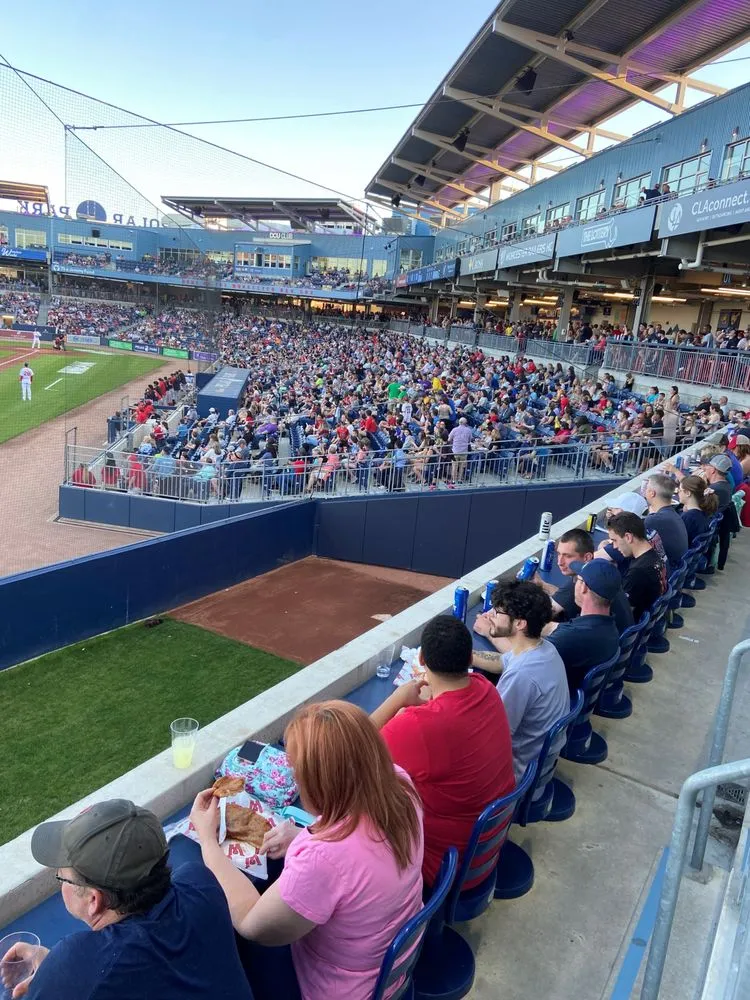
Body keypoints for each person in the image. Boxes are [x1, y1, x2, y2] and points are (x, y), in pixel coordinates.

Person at [189, 700, 424, 1000]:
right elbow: (360, 855)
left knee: (237, 951)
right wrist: (303, 834)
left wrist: (208, 841)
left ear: (321, 782)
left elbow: (251, 922)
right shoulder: (400, 784)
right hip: (388, 962)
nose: (296, 780)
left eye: (298, 772)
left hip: (345, 987)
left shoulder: (324, 857)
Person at [1, 799, 254, 1000]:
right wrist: (58, 971)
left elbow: (99, 970)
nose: (57, 876)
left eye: (61, 876)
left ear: (93, 900)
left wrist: (60, 974)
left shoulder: (80, 966)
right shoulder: (199, 883)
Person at [371, 615, 515, 886]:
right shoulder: (486, 688)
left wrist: (398, 699)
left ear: (422, 659)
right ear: (470, 658)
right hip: (487, 848)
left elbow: (350, 747)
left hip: (446, 868)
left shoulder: (420, 726)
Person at [472, 580, 570, 779]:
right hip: (540, 762)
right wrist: (467, 656)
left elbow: (492, 734)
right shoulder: (544, 648)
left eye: (497, 612)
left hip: (518, 775)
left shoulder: (521, 675)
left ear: (519, 623)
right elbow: (503, 661)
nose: (489, 615)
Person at [544, 560, 622, 696]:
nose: (574, 583)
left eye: (577, 580)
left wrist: (494, 629)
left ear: (584, 587)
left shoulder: (570, 638)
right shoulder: (610, 628)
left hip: (553, 703)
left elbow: (520, 661)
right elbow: (561, 629)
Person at [534, 528, 633, 633]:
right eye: (559, 554)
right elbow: (565, 597)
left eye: (567, 556)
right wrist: (542, 585)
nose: (559, 562)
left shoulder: (583, 583)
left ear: (587, 557)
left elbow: (541, 615)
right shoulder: (605, 577)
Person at [607, 512, 667, 623]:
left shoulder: (637, 572)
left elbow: (623, 614)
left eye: (615, 540)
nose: (614, 547)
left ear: (628, 537)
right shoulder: (655, 554)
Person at [643, 473, 688, 573]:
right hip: (678, 568)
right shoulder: (673, 513)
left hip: (668, 572)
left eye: (647, 488)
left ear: (652, 493)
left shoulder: (654, 520)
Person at [678, 475, 719, 545]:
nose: (678, 492)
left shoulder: (688, 517)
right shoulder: (705, 510)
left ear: (688, 493)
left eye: (680, 490)